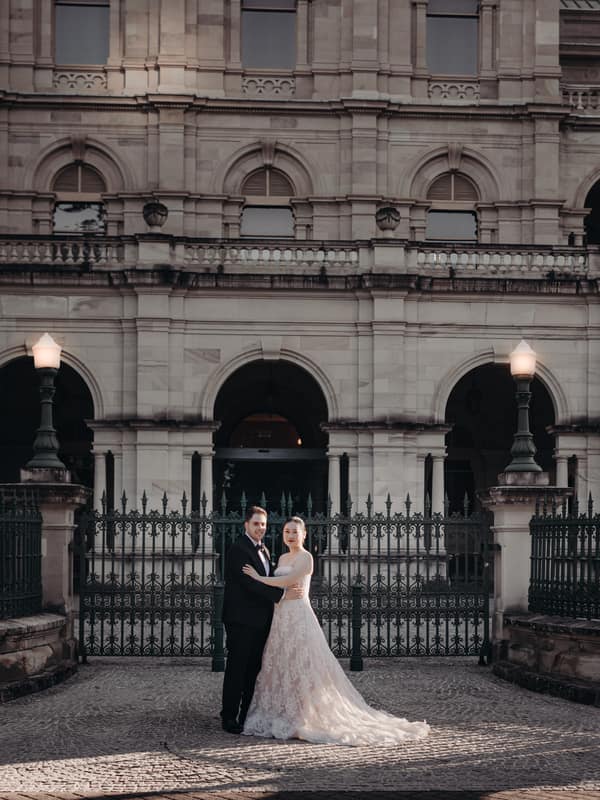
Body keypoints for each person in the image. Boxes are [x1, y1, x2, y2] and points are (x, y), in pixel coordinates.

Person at [241, 516, 430, 746]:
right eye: (287, 531)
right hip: (281, 615)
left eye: (294, 532)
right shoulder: (281, 556)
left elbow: (289, 579)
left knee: (303, 662)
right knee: (281, 662)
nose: (290, 535)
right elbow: (280, 585)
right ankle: (283, 709)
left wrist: (258, 577)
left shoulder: (306, 557)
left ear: (304, 535)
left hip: (299, 614)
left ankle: (304, 713)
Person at [220, 505, 303, 734]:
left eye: (263, 525)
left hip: (261, 620)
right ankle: (228, 716)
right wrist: (282, 595)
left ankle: (246, 713)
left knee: (253, 670)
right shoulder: (239, 549)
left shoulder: (264, 550)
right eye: (256, 524)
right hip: (241, 620)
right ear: (246, 524)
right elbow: (250, 584)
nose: (260, 528)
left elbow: (265, 580)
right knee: (237, 669)